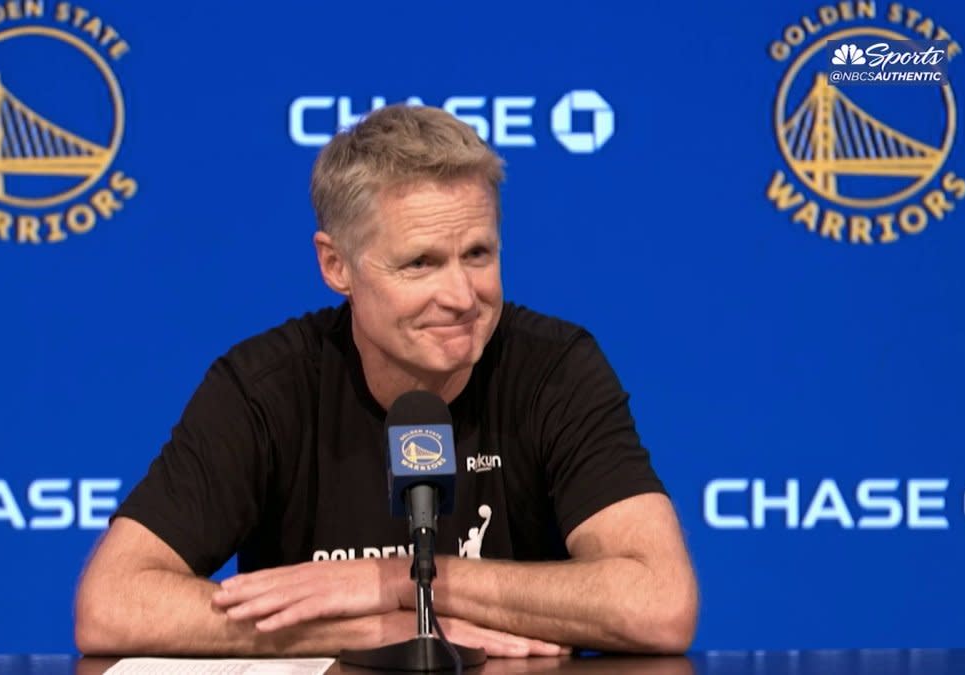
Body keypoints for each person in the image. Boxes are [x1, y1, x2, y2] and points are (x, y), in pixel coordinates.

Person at [74, 104, 698, 657]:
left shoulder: (554, 368)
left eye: (478, 254)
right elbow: (112, 604)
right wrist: (375, 626)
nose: (462, 296)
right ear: (336, 265)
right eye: (420, 263)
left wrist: (399, 582)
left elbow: (659, 601)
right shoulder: (267, 386)